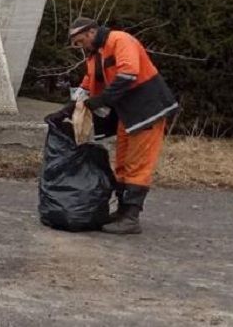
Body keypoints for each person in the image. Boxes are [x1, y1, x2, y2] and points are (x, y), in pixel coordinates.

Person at [68, 17, 179, 234]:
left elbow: (128, 74)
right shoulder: (95, 55)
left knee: (137, 164)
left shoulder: (120, 40)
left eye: (80, 41)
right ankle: (122, 211)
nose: (80, 47)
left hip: (147, 110)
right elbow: (89, 83)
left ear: (91, 33)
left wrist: (100, 101)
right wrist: (73, 106)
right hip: (127, 113)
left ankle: (131, 216)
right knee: (122, 162)